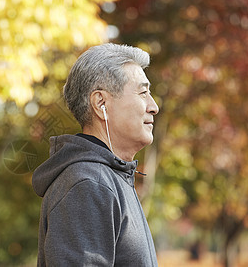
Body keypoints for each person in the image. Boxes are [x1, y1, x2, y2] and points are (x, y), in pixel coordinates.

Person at [32, 43, 159, 266]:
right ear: (101, 103)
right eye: (143, 93)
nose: (153, 106)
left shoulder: (110, 178)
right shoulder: (88, 185)